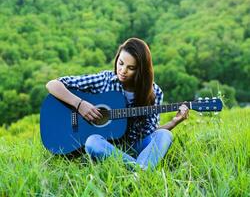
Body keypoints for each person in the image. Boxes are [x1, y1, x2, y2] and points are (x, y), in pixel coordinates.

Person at [46, 38, 189, 170]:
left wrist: (174, 122)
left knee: (165, 135)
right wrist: (80, 104)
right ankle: (142, 171)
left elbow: (150, 134)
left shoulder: (154, 92)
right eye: (120, 63)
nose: (123, 71)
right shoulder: (105, 79)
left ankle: (137, 172)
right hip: (107, 147)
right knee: (92, 142)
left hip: (135, 146)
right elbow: (53, 84)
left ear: (141, 70)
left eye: (131, 68)